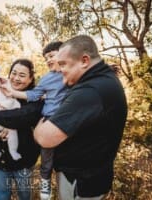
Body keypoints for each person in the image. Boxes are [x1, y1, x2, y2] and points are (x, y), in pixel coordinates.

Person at [34, 35, 128, 200]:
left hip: (82, 181)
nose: (59, 69)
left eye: (63, 64)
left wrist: (39, 126)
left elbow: (45, 138)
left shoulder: (90, 91)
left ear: (84, 60)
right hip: (85, 171)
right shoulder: (102, 79)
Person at [3, 41, 68, 200]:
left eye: (51, 55)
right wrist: (12, 93)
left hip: (67, 119)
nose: (48, 60)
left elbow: (89, 73)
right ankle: (45, 180)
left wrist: (105, 70)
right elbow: (33, 94)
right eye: (46, 58)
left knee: (65, 155)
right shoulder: (47, 79)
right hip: (49, 119)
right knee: (46, 154)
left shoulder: (74, 73)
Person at [0, 59, 43, 200]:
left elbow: (23, 116)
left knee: (24, 194)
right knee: (2, 194)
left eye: (22, 75)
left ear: (30, 79)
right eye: (14, 73)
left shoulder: (35, 98)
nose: (16, 78)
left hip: (23, 161)